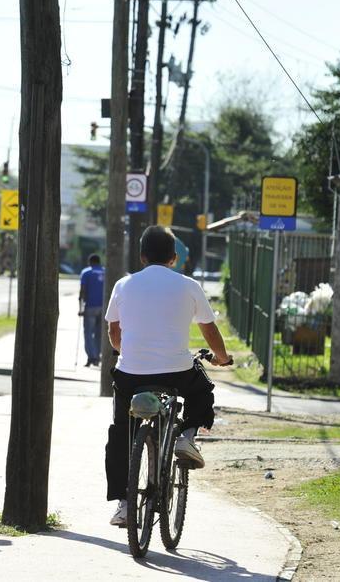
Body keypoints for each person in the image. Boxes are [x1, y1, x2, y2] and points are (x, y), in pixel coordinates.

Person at [103, 225, 232, 527]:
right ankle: (187, 437)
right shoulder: (188, 285)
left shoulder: (124, 284)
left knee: (121, 431)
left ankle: (124, 504)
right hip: (176, 372)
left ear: (142, 256)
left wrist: (130, 352)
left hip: (130, 374)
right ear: (174, 258)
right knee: (202, 390)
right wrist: (222, 358)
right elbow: (209, 330)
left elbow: (114, 332)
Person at [78, 253, 105, 367]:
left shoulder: (86, 272)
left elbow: (82, 291)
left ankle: (91, 357)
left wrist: (80, 308)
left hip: (90, 307)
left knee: (88, 332)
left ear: (90, 262)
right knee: (99, 334)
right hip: (103, 308)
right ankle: (97, 355)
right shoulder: (106, 272)